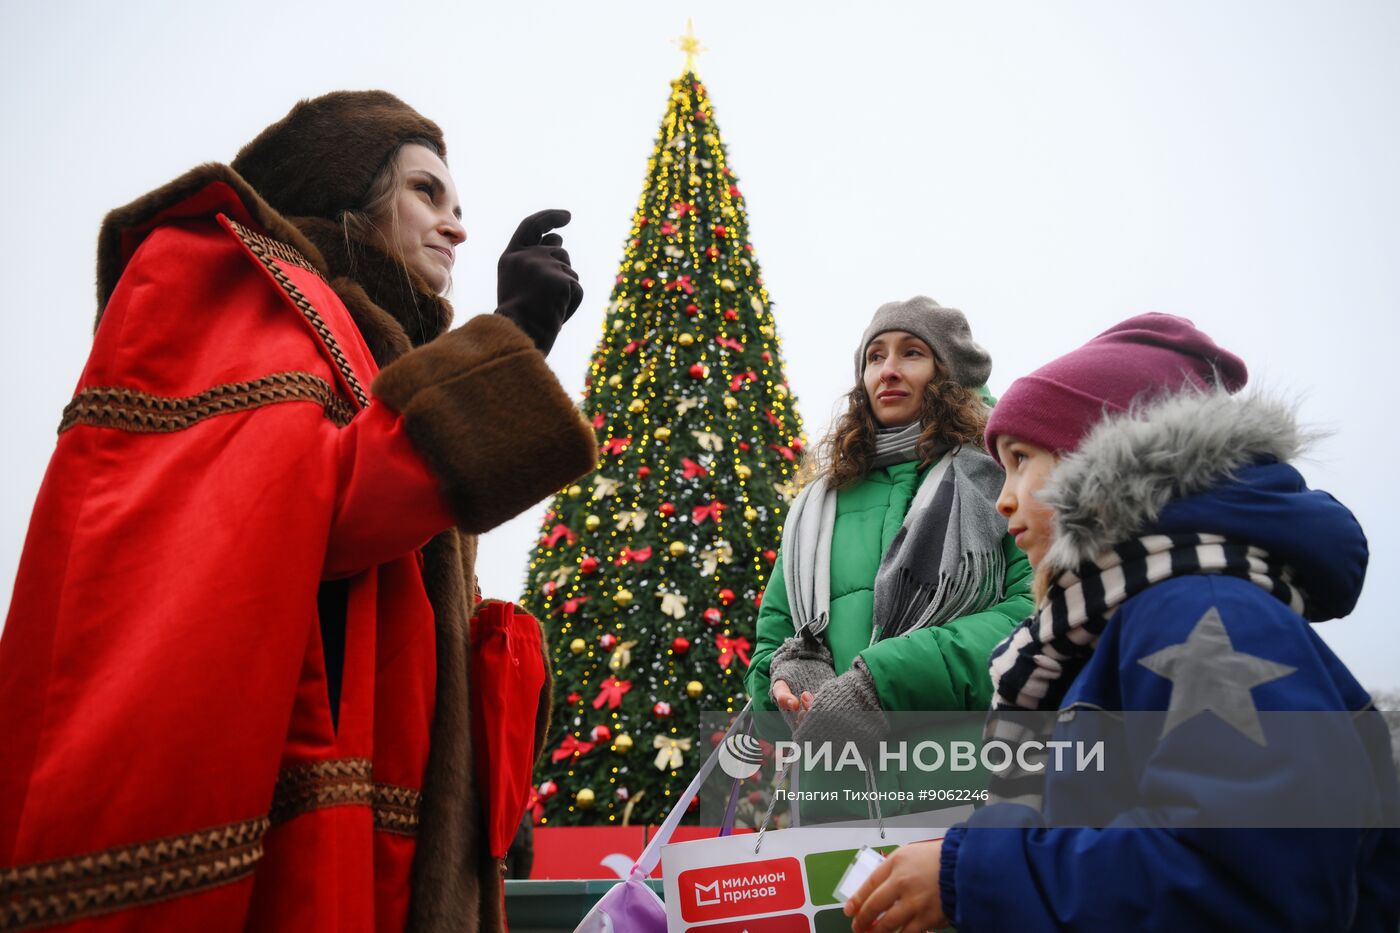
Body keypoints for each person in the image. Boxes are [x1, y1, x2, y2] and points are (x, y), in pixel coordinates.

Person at [0, 91, 597, 932]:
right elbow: (324, 513)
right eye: (427, 193)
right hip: (291, 836)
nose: (458, 227)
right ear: (345, 189)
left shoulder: (384, 344)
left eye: (460, 205)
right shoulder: (255, 298)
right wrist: (512, 335)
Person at [846, 313, 1400, 931]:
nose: (1003, 498)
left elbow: (1245, 879)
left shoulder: (1203, 614)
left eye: (1022, 459)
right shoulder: (1110, 635)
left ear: (1102, 467)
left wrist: (969, 875)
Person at [744, 297, 1033, 814]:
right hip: (834, 798)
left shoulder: (1001, 477)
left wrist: (882, 683)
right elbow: (771, 645)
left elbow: (1030, 618)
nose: (890, 370)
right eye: (875, 356)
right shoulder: (816, 506)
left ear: (948, 374)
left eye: (912, 353)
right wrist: (790, 684)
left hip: (963, 786)